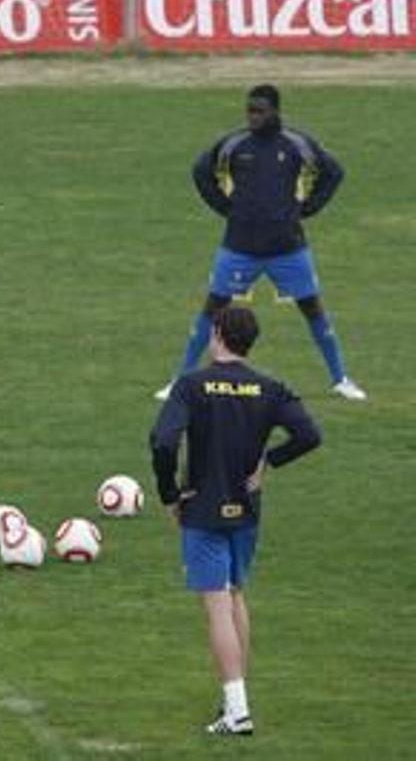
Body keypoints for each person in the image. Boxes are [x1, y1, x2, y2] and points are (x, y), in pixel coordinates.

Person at [149, 306, 322, 737]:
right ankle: (235, 698)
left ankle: (237, 710)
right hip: (246, 509)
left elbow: (163, 440)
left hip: (203, 510)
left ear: (218, 334)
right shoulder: (270, 387)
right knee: (235, 595)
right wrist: (268, 462)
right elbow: (310, 435)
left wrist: (170, 494)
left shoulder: (191, 385)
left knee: (217, 605)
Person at [157, 84, 365, 402]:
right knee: (213, 309)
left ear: (275, 111)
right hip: (239, 247)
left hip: (289, 247)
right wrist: (225, 207)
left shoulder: (297, 143)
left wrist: (309, 207)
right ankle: (180, 380)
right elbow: (200, 171)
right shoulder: (234, 143)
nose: (252, 117)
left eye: (259, 111)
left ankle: (340, 379)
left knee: (312, 308)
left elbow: (334, 172)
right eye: (249, 111)